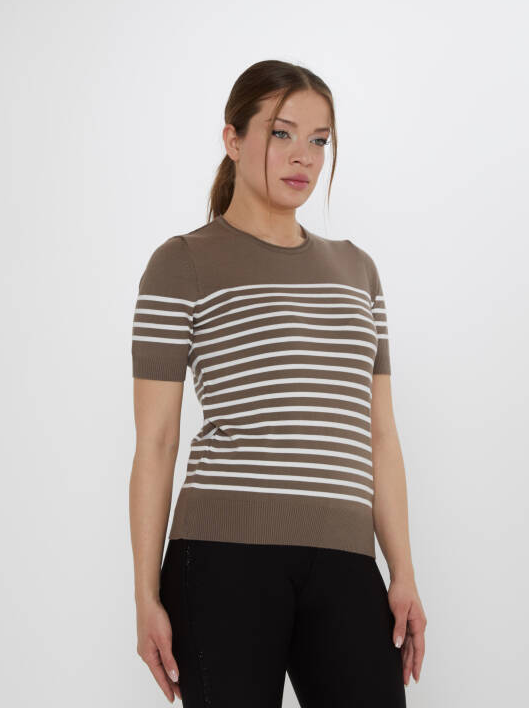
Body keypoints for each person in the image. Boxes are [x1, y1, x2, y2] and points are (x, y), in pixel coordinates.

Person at [129, 59, 427, 707]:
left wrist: (401, 571)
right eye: (282, 133)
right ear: (233, 139)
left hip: (346, 559)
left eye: (320, 140)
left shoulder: (357, 271)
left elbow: (379, 435)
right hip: (222, 558)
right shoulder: (181, 264)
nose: (304, 157)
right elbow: (155, 443)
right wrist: (145, 596)